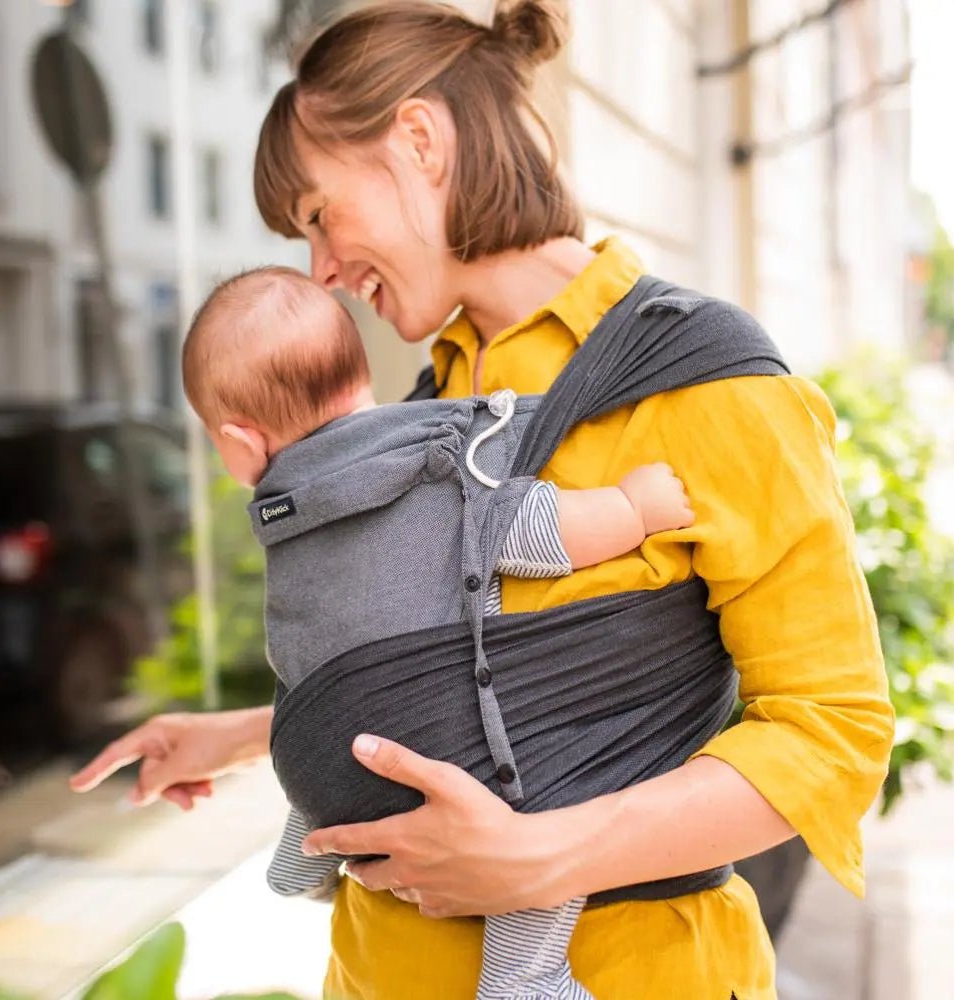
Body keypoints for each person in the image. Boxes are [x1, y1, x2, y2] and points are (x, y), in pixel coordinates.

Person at [72, 2, 895, 997]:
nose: (320, 271)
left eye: (320, 215)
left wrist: (542, 855)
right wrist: (251, 733)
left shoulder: (704, 382)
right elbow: (442, 655)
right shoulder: (431, 408)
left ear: (418, 141)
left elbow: (830, 728)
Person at [180, 262, 694, 1000]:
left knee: (327, 693)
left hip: (319, 760)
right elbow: (523, 529)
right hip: (459, 760)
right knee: (553, 806)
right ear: (360, 377)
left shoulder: (284, 519)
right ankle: (527, 978)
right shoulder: (432, 461)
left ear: (236, 443)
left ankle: (309, 845)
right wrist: (633, 510)